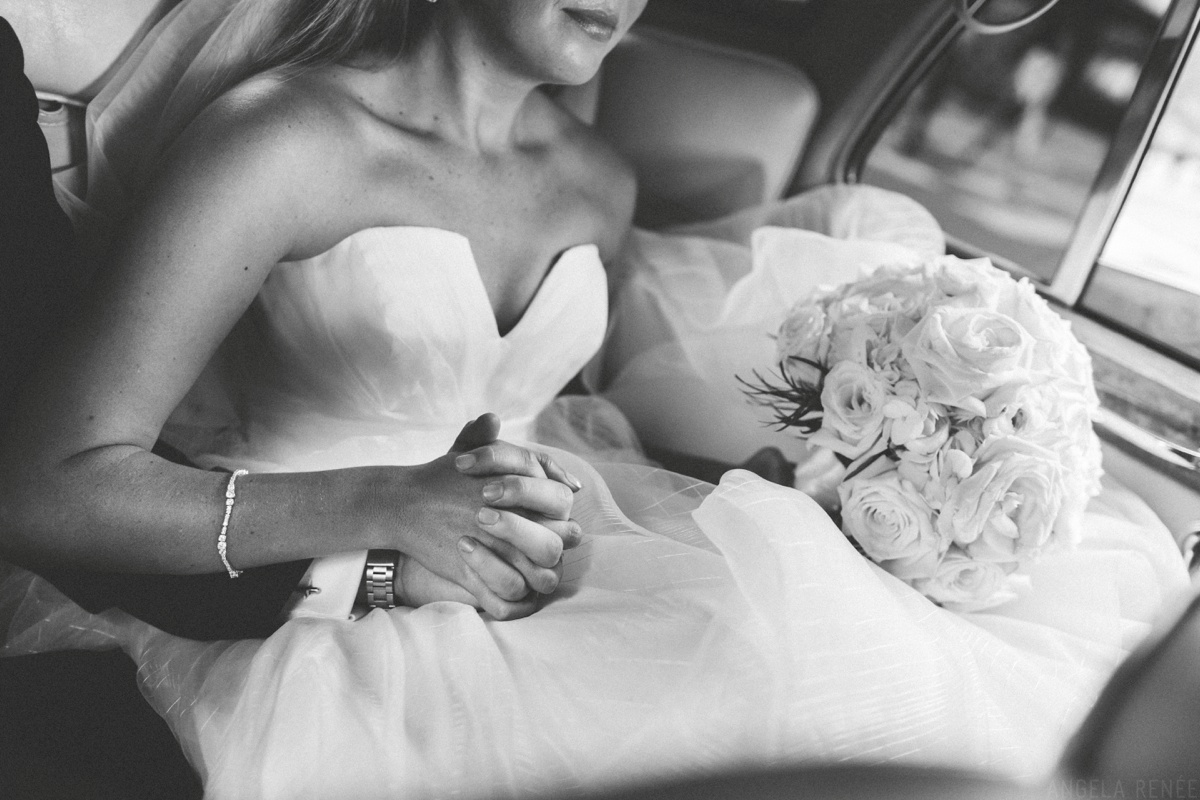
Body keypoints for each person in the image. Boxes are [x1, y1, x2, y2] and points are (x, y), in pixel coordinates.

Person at [0, 1, 1187, 798]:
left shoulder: (596, 185)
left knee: (820, 663)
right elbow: (43, 485)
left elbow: (541, 421)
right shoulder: (284, 143)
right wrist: (392, 509)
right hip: (306, 603)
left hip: (547, 575)